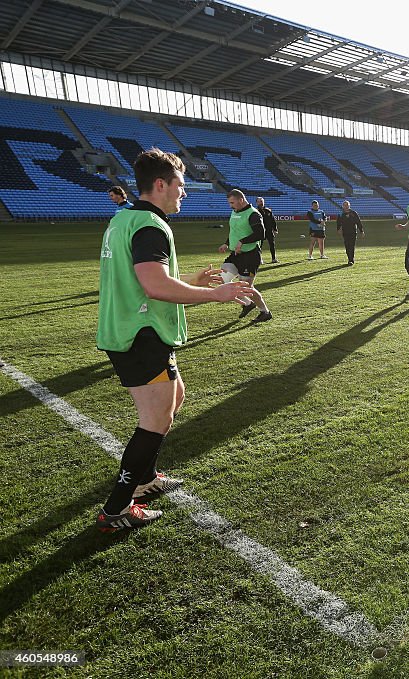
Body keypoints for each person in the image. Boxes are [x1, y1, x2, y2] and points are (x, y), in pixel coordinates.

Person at [95, 148, 251, 532]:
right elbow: (154, 283)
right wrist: (215, 295)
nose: (184, 193)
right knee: (155, 418)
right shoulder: (150, 224)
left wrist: (192, 283)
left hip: (138, 330)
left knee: (175, 396)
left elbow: (143, 279)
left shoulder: (125, 218)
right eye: (181, 185)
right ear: (161, 184)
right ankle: (116, 508)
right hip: (139, 335)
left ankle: (146, 479)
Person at [219, 189, 273, 323]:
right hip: (235, 255)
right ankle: (248, 304)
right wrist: (227, 243)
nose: (230, 205)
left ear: (241, 200)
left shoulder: (254, 214)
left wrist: (242, 242)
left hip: (250, 256)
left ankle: (265, 312)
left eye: (232, 202)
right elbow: (235, 231)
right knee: (223, 279)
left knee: (246, 287)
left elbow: (260, 234)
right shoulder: (235, 212)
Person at [336, 200, 365, 265]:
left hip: (353, 232)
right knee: (347, 246)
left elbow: (358, 222)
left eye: (347, 205)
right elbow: (338, 223)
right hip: (345, 232)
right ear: (343, 206)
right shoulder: (341, 214)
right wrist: (338, 229)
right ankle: (349, 258)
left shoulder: (354, 213)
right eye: (345, 205)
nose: (346, 206)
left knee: (352, 246)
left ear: (349, 206)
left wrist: (361, 231)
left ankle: (351, 260)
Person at [255, 196, 278, 263]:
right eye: (259, 201)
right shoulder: (256, 212)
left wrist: (275, 229)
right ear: (256, 203)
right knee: (259, 246)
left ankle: (274, 259)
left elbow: (273, 220)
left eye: (262, 201)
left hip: (269, 231)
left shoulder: (268, 211)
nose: (261, 203)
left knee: (272, 245)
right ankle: (259, 259)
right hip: (260, 231)